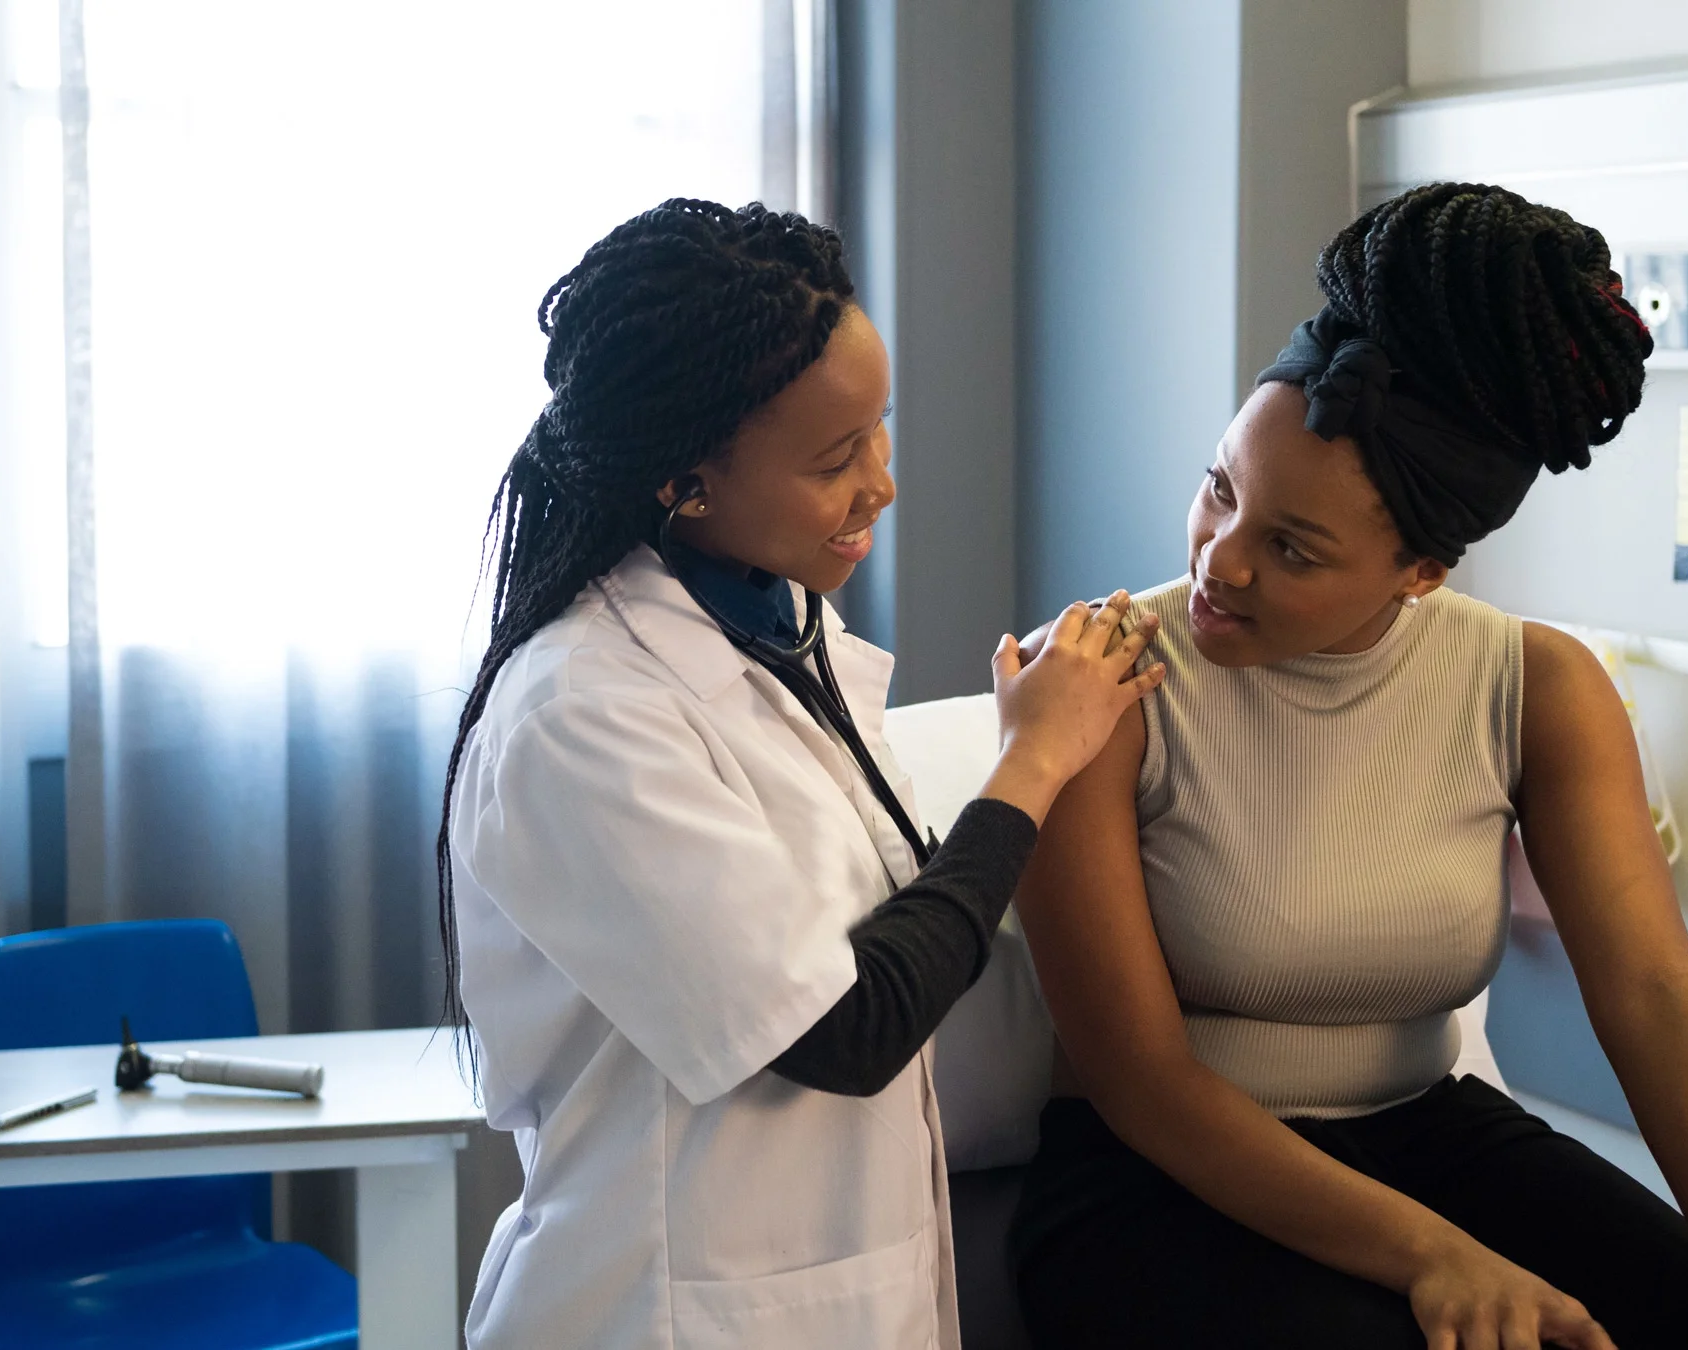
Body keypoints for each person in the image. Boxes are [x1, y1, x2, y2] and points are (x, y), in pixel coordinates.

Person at [1008, 184, 1688, 1350]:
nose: (1221, 562)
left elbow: (1657, 993)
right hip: (1152, 1181)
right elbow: (1141, 1083)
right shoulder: (1098, 677)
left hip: (1428, 1136)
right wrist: (1438, 1256)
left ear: (1422, 572)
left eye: (1292, 548)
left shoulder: (1535, 688)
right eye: (1221, 489)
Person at [436, 198, 1163, 1350]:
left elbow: (898, 928)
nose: (882, 484)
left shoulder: (779, 630)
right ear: (687, 482)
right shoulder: (581, 715)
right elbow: (851, 1028)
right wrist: (1033, 760)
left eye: (880, 431)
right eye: (835, 459)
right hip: (662, 1307)